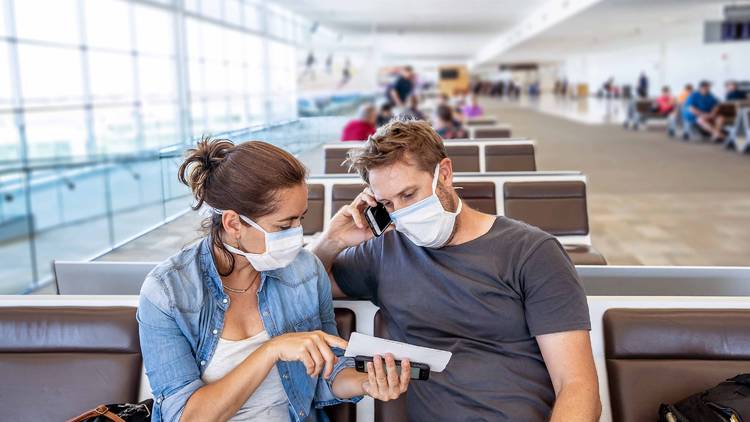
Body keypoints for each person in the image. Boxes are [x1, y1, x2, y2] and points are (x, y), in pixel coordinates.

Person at [312, 119, 601, 422]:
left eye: (409, 195)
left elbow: (577, 386)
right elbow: (299, 287)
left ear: (445, 174)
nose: (401, 212)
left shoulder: (531, 252)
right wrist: (332, 240)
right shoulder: (384, 251)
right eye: (387, 204)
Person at [137, 138, 410, 422]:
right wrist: (271, 350)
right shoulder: (167, 292)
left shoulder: (305, 270)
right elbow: (183, 417)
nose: (297, 233)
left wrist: (366, 383)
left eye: (300, 219)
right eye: (284, 225)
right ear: (233, 224)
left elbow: (328, 372)